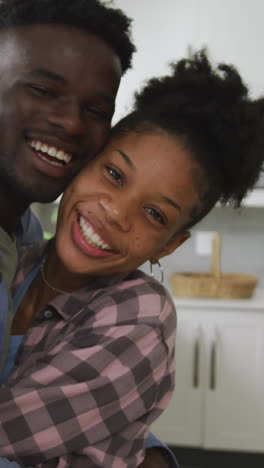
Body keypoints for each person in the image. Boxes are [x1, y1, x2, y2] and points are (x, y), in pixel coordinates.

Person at [0, 51, 264, 467]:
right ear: (85, 163)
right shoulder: (19, 257)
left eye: (155, 214)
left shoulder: (140, 314)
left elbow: (10, 432)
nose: (116, 214)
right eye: (115, 175)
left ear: (168, 245)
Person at [0, 0, 177, 466]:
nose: (72, 122)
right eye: (42, 88)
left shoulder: (26, 238)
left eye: (97, 109)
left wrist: (145, 451)